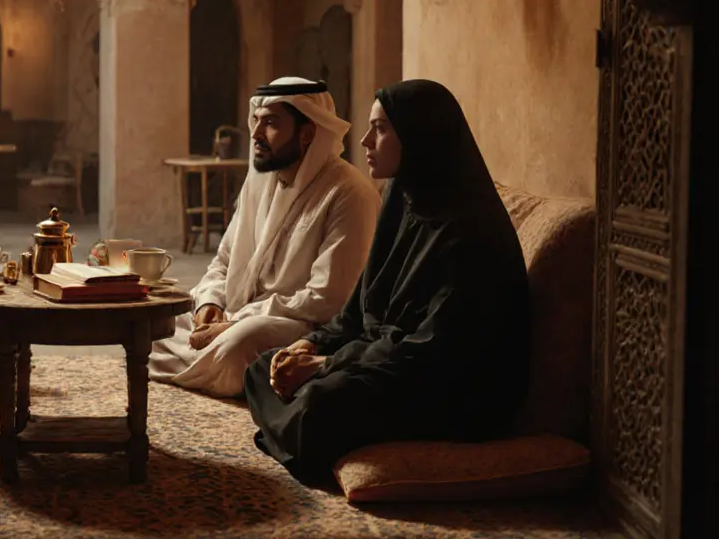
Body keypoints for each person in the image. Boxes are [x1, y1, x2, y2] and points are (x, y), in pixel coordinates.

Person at [244, 79, 531, 485]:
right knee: (260, 369)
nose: (364, 140)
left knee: (320, 404)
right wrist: (312, 344)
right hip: (382, 362)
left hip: (443, 387)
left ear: (417, 136)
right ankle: (296, 435)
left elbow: (434, 351)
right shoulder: (402, 195)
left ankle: (297, 434)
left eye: (379, 129)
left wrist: (325, 366)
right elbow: (362, 304)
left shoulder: (470, 230)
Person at [148, 78, 380, 397]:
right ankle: (214, 371)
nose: (256, 134)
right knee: (155, 323)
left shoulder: (348, 192)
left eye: (270, 123)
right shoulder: (259, 181)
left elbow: (327, 298)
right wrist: (211, 305)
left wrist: (233, 321)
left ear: (307, 132)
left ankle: (218, 369)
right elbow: (224, 259)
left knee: (240, 344)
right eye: (256, 121)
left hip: (301, 324)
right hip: (238, 315)